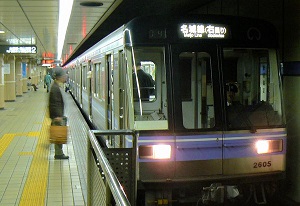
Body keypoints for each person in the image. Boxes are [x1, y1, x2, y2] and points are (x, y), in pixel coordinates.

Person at [48, 67, 69, 160]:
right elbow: (54, 103)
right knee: (58, 135)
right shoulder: (55, 88)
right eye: (64, 76)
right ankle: (59, 154)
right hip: (57, 116)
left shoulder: (56, 86)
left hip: (58, 115)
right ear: (60, 77)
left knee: (59, 135)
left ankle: (59, 152)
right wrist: (57, 116)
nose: (66, 77)